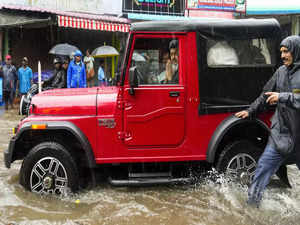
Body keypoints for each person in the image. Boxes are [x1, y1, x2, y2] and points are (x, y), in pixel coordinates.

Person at [235, 36, 300, 207]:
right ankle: (251, 209)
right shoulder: (281, 72)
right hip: (280, 135)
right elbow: (265, 95)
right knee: (262, 171)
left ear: (296, 51)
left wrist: (283, 97)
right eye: (281, 52)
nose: (283, 55)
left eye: (287, 51)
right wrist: (250, 111)